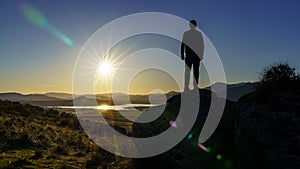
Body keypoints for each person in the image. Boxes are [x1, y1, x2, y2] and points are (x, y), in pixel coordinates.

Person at [181, 19, 204, 91]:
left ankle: (195, 87)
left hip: (196, 56)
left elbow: (201, 45)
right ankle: (186, 87)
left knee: (195, 72)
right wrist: (182, 54)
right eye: (191, 24)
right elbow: (183, 44)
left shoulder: (198, 34)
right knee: (188, 72)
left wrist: (201, 54)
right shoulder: (186, 33)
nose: (192, 26)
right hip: (189, 55)